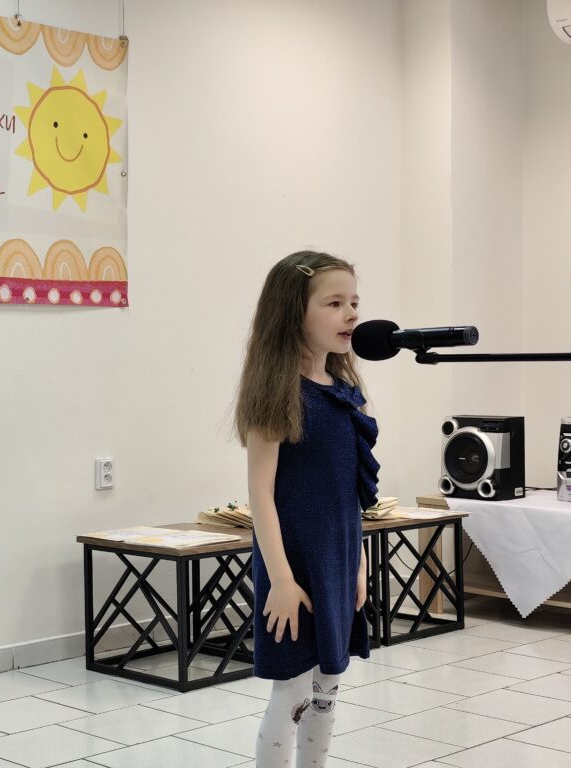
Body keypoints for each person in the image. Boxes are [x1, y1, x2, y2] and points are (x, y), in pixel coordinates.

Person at [235, 250, 380, 768]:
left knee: (327, 688)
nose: (350, 314)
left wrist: (358, 563)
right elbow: (261, 496)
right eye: (334, 303)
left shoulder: (347, 394)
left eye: (354, 302)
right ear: (293, 311)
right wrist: (280, 580)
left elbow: (350, 494)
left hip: (337, 562)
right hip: (292, 568)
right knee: (292, 692)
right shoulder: (279, 394)